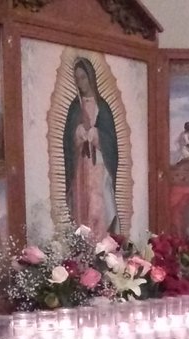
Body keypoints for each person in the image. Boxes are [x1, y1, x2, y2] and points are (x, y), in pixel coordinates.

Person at [63, 56, 119, 239]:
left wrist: (96, 135)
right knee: (83, 205)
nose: (80, 83)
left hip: (99, 165)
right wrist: (76, 133)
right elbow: (67, 141)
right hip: (81, 166)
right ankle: (83, 248)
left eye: (83, 77)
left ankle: (102, 245)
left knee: (98, 204)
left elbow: (110, 139)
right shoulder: (74, 107)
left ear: (91, 77)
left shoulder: (102, 106)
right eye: (77, 78)